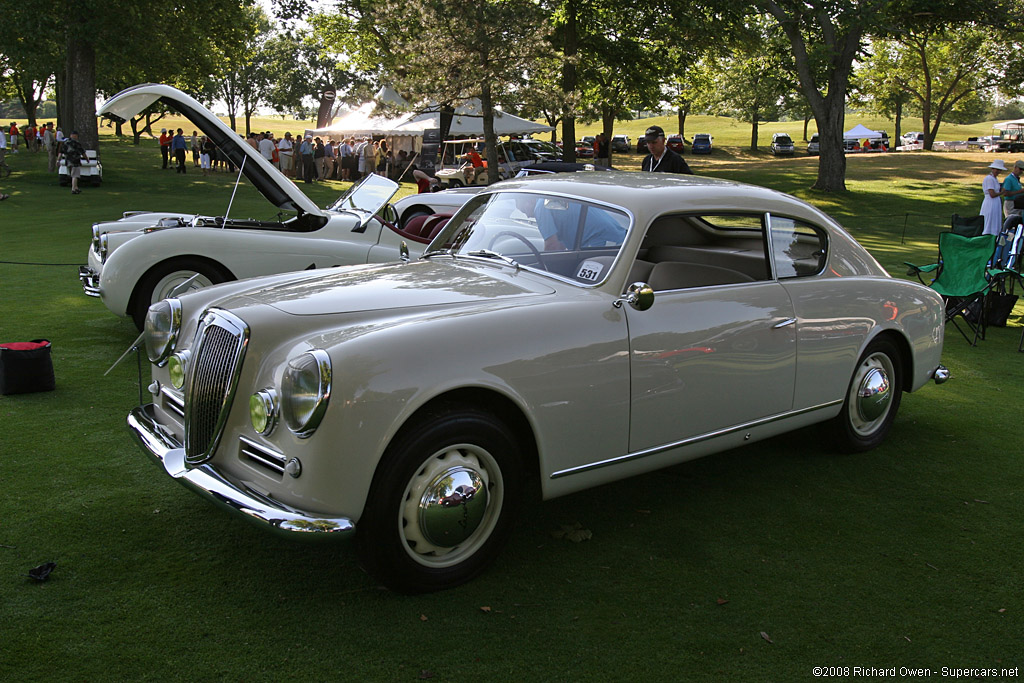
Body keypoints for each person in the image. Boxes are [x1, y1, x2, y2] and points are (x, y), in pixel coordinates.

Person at [980, 159, 1006, 236]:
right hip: (990, 202)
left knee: (995, 219)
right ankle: (987, 234)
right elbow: (992, 194)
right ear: (992, 169)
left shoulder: (994, 179)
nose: (998, 171)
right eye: (996, 169)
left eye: (999, 170)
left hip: (995, 202)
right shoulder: (989, 179)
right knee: (989, 219)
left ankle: (994, 235)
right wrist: (1002, 192)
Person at [63, 130, 88, 194]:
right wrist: (87, 159)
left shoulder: (66, 143)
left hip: (68, 161)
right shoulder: (77, 144)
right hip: (75, 161)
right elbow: (82, 152)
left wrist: (58, 160)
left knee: (72, 174)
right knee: (75, 175)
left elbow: (61, 152)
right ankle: (73, 189)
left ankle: (76, 187)